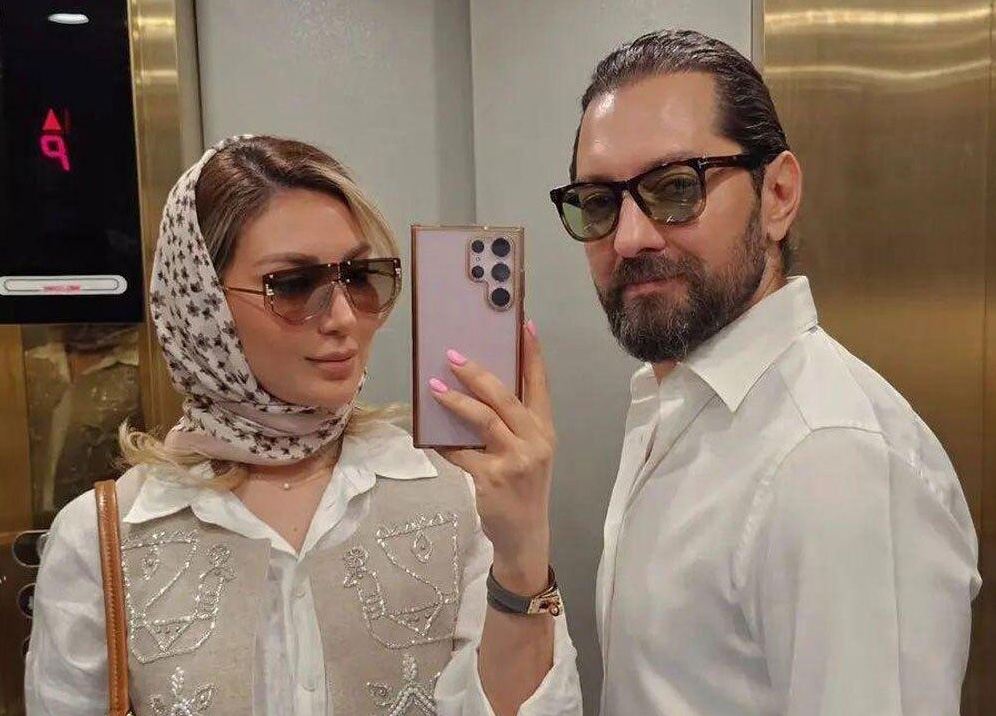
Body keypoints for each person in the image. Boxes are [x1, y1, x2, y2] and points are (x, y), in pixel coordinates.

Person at [26, 135, 582, 716]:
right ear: (202, 303)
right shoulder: (103, 537)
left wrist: (522, 554)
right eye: (293, 284)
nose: (343, 317)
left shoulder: (457, 496)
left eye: (360, 276)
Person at [546, 29, 981, 715]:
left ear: (776, 194)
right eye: (600, 202)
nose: (629, 237)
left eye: (675, 188)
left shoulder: (831, 456)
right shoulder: (678, 403)